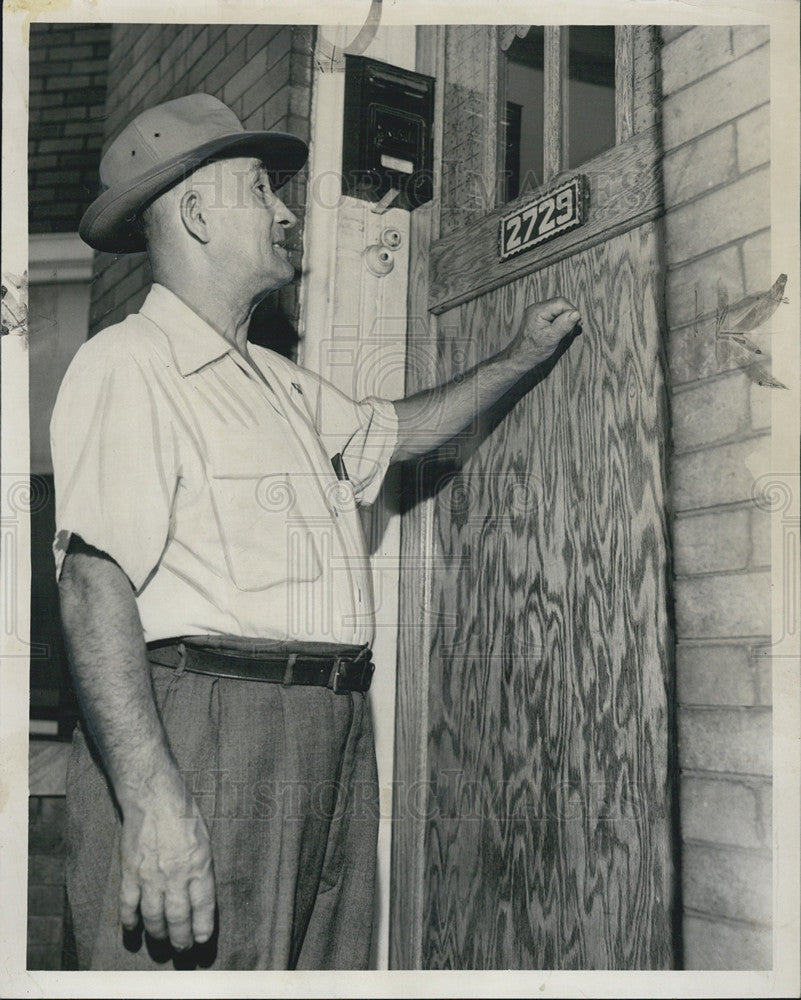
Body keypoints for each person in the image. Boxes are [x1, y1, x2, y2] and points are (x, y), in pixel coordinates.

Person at [52, 92, 582, 971]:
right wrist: (149, 798)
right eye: (260, 189)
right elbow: (91, 582)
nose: (288, 210)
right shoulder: (129, 363)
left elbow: (398, 433)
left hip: (329, 726)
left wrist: (519, 358)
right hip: (211, 724)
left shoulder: (278, 383)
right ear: (193, 212)